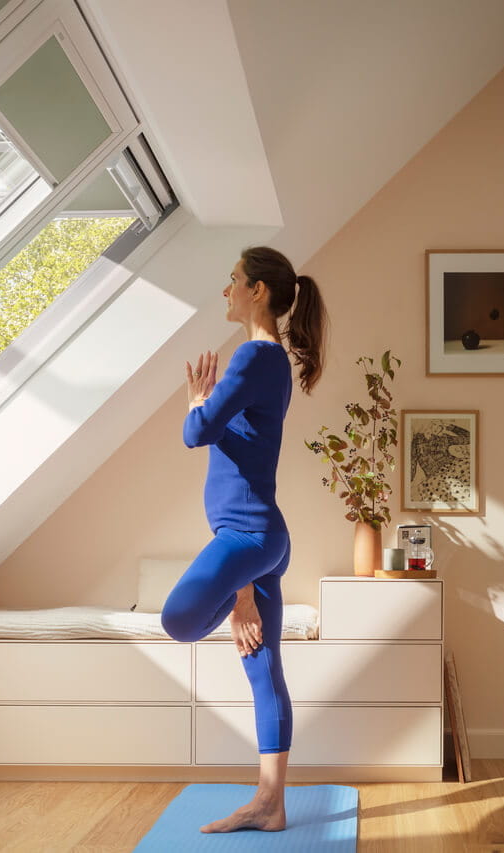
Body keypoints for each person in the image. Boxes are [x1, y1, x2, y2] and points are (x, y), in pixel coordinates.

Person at [160, 245, 327, 833]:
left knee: (179, 620)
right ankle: (270, 803)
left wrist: (196, 403)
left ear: (258, 291)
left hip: (250, 534)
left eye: (233, 279)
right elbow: (230, 440)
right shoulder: (270, 361)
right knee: (264, 669)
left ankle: (268, 802)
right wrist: (242, 591)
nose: (226, 290)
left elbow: (196, 432)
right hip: (259, 539)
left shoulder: (254, 355)